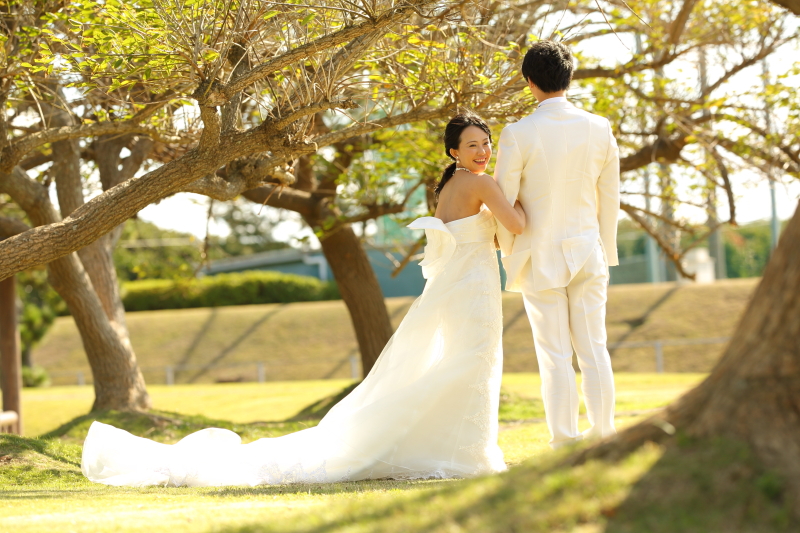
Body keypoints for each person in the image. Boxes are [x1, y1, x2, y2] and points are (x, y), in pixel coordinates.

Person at [80, 113, 525, 487]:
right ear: (454, 152)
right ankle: (462, 451)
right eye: (472, 145)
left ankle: (458, 447)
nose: (483, 151)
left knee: (463, 364)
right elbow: (518, 226)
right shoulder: (480, 185)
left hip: (458, 289)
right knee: (469, 364)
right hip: (469, 291)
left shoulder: (449, 188)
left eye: (486, 143)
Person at [494, 40, 621, 449]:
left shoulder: (517, 133)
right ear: (570, 77)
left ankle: (564, 441)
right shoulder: (599, 127)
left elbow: (503, 200)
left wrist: (507, 251)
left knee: (554, 354)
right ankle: (604, 434)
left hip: (539, 254)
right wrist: (607, 250)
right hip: (588, 251)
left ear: (529, 81)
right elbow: (610, 197)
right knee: (594, 348)